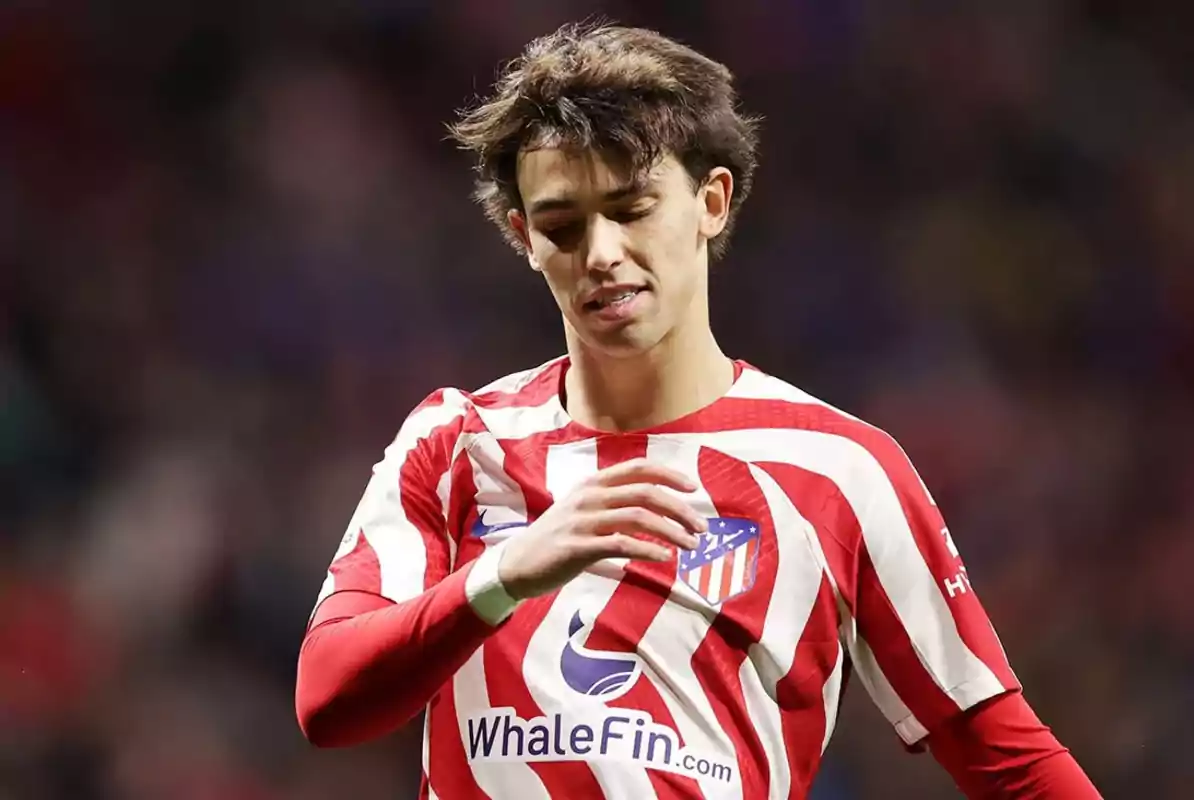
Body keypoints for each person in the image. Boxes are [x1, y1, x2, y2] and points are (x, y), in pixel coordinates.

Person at [295, 21, 1101, 800]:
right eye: (562, 226)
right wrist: (506, 573)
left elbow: (1008, 760)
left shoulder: (840, 471)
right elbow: (327, 700)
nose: (601, 253)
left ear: (711, 202)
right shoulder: (458, 441)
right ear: (523, 237)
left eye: (632, 207)